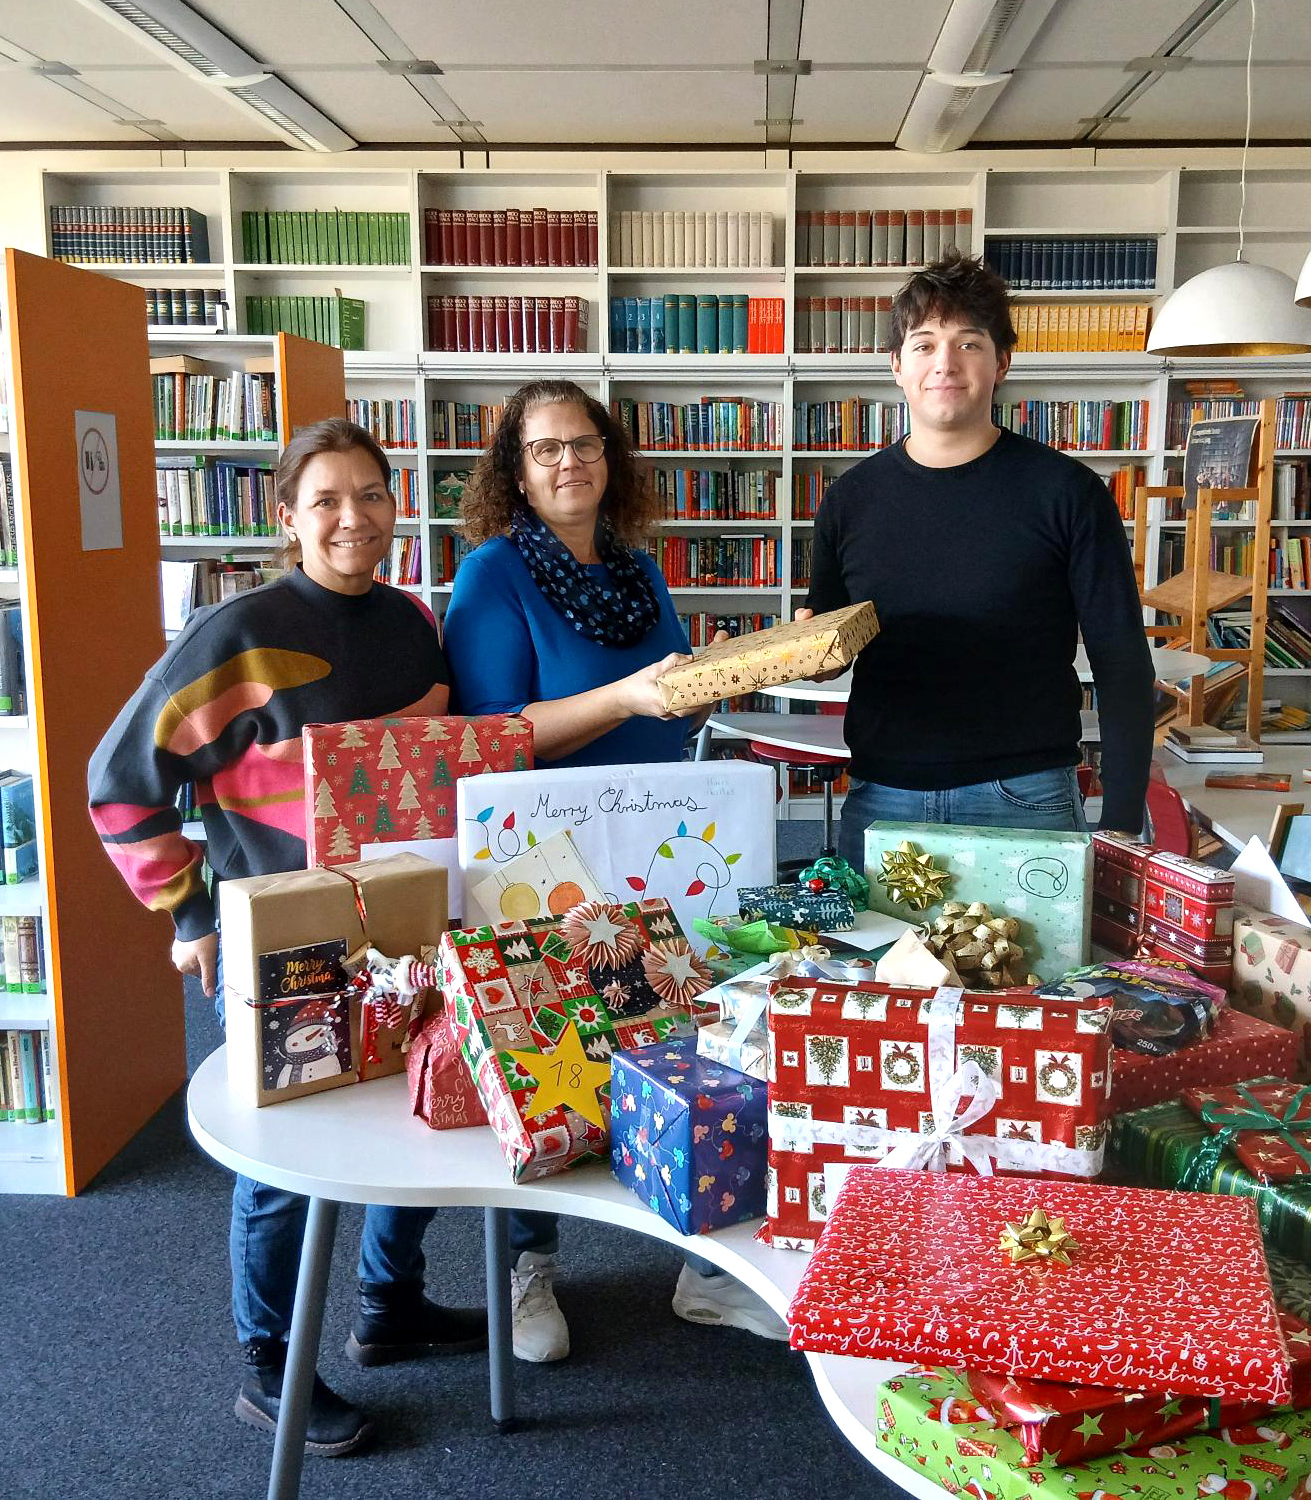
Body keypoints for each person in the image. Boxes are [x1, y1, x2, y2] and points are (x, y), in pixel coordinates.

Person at [88, 419, 486, 1458]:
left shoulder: (412, 623)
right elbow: (121, 784)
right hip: (283, 942)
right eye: (326, 500)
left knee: (421, 1122)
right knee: (282, 1169)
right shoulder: (236, 635)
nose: (352, 517)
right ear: (286, 518)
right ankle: (269, 1368)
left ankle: (387, 1306)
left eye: (370, 494)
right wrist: (186, 915)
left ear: (398, 505)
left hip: (404, 928)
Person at [443, 377, 784, 1361]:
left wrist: (709, 681)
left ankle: (705, 1265)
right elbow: (492, 738)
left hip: (663, 849)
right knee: (552, 1054)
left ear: (610, 455)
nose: (568, 463)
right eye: (545, 448)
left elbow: (667, 705)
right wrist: (629, 695)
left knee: (693, 1040)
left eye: (584, 443)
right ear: (516, 467)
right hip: (541, 858)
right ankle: (528, 1264)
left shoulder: (642, 571)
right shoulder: (492, 576)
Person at [802, 252, 1155, 861]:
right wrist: (809, 658)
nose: (945, 363)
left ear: (1002, 364)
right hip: (883, 796)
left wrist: (1121, 821)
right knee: (875, 960)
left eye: (969, 344)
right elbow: (832, 648)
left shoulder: (1068, 493)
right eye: (924, 344)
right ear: (897, 367)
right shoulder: (849, 499)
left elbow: (1123, 665)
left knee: (1037, 963)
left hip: (1025, 796)